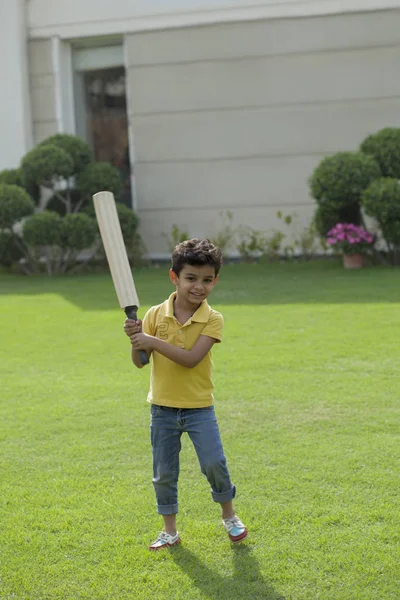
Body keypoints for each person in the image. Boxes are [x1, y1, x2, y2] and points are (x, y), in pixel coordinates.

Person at [123, 238, 247, 551]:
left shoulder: (213, 318)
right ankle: (170, 531)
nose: (199, 287)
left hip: (199, 408)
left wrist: (150, 340)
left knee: (213, 463)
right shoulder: (154, 315)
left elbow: (191, 360)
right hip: (162, 410)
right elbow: (141, 363)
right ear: (174, 277)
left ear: (215, 281)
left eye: (207, 280)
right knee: (163, 473)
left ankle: (229, 517)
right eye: (191, 278)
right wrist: (137, 341)